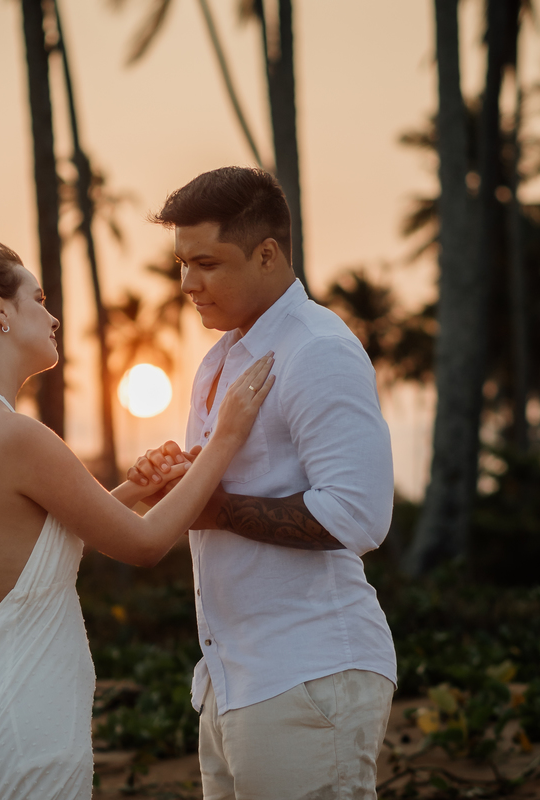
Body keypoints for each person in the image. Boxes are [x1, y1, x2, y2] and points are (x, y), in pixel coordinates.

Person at [0, 240, 274, 800]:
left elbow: (31, 555)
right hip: (23, 720)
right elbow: (144, 545)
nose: (53, 317)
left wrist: (135, 490)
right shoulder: (15, 435)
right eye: (38, 299)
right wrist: (226, 439)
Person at [127, 167, 398, 800]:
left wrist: (214, 508)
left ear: (267, 254)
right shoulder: (220, 360)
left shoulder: (318, 350)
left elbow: (357, 516)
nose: (188, 284)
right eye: (183, 264)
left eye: (207, 264)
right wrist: (184, 478)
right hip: (232, 679)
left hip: (308, 671)